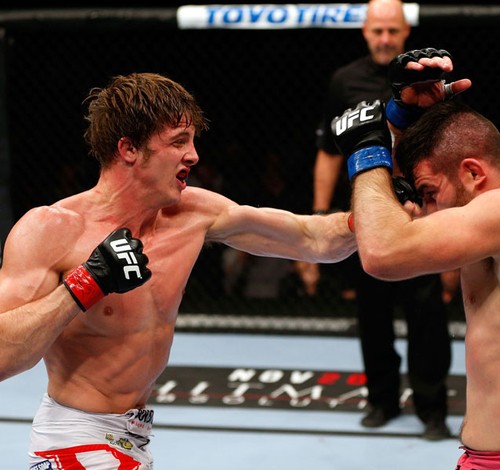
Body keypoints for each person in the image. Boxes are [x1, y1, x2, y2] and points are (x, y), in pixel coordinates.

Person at [0, 72, 357, 469]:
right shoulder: (52, 229)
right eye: (178, 142)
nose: (194, 156)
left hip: (133, 439)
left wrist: (379, 212)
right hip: (75, 439)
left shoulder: (193, 213)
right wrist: (85, 284)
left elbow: (314, 239)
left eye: (191, 141)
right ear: (129, 149)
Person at [333, 51, 500, 468]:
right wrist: (400, 119)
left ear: (473, 173)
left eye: (429, 194)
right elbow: (432, 157)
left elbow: (382, 253)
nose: (427, 211)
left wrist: (365, 148)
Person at [305, 0, 453, 439]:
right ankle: (381, 401)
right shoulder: (345, 81)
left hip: (423, 214)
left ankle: (433, 410)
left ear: (406, 31)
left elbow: (448, 149)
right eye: (377, 31)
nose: (385, 38)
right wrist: (318, 215)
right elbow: (329, 152)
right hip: (366, 215)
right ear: (365, 32)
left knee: (427, 313)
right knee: (372, 313)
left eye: (392, 30)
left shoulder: (428, 81)